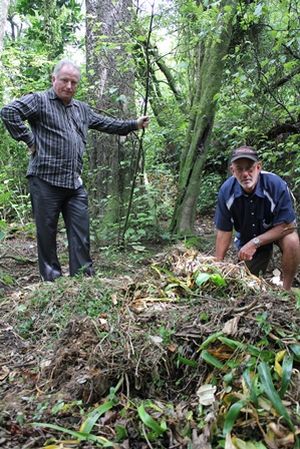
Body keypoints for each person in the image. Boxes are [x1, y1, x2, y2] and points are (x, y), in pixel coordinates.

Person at [1, 59, 149, 281]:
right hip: (45, 180)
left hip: (73, 184)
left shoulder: (81, 109)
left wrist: (134, 124)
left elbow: (107, 124)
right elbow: (9, 112)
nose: (69, 86)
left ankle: (83, 280)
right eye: (64, 80)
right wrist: (29, 139)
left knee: (80, 233)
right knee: (47, 234)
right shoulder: (39, 101)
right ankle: (52, 282)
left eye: (73, 82)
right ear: (54, 79)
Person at [214, 145, 300, 290]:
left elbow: (288, 225)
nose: (245, 174)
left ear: (258, 167)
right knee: (246, 282)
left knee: (292, 240)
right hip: (248, 236)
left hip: (278, 232)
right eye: (240, 169)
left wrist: (255, 242)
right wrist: (216, 266)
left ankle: (287, 289)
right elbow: (224, 231)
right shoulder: (226, 191)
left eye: (250, 168)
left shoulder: (275, 184)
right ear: (232, 170)